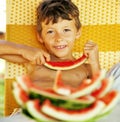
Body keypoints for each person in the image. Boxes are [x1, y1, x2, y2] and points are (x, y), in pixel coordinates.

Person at [0, 0, 100, 89]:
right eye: (50, 32)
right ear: (40, 36)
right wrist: (22, 49)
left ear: (77, 32)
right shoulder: (36, 60)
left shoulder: (86, 68)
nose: (59, 38)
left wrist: (94, 62)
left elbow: (101, 92)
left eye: (66, 30)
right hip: (34, 109)